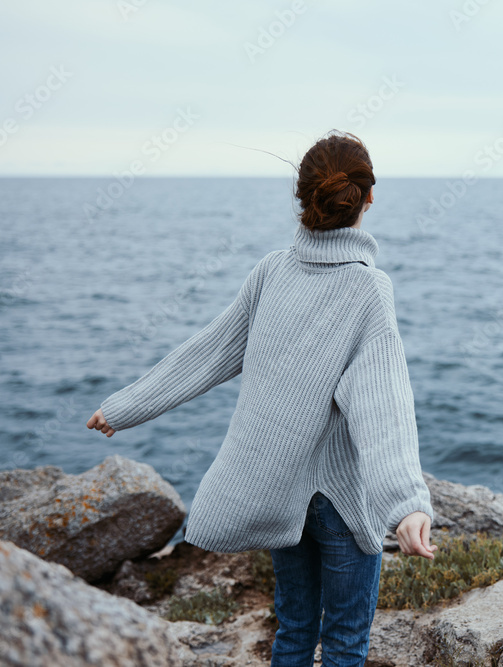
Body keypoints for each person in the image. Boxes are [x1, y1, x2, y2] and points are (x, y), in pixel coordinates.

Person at [86, 129, 437, 666]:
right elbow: (383, 404)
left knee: (294, 630)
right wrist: (407, 504)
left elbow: (206, 353)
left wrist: (124, 407)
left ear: (304, 198)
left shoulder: (273, 271)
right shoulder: (369, 289)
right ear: (368, 198)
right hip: (343, 502)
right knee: (344, 642)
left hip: (282, 490)